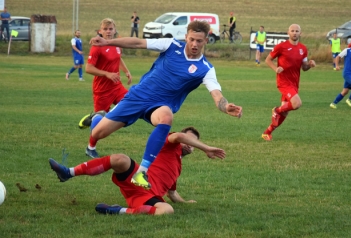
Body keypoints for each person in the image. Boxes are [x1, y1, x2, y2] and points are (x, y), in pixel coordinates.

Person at [82, 20, 242, 189]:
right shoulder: (170, 45)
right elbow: (138, 43)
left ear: (206, 41)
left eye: (199, 41)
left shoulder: (206, 69)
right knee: (98, 133)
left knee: (166, 117)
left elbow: (216, 94)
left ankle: (141, 172)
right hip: (137, 97)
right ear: (186, 36)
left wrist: (225, 106)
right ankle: (97, 118)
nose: (195, 44)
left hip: (159, 106)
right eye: (192, 39)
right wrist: (108, 41)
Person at [49, 126, 225, 215]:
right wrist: (206, 148)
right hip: (138, 177)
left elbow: (172, 194)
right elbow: (178, 136)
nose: (188, 144)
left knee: (167, 210)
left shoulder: (177, 167)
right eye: (188, 140)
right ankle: (68, 172)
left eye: (192, 143)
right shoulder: (169, 144)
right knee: (120, 158)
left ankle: (117, 211)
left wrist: (186, 202)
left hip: (145, 196)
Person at [261, 24, 316, 141]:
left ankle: (267, 132)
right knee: (297, 104)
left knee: (284, 113)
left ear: (300, 33)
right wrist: (276, 69)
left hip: (295, 83)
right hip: (283, 82)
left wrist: (309, 65)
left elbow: (304, 67)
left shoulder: (303, 49)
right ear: (288, 33)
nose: (294, 33)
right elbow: (268, 59)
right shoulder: (281, 46)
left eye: (297, 31)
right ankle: (276, 110)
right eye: (292, 31)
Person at [78, 18, 132, 128]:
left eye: (110, 29)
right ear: (100, 31)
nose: (108, 31)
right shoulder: (97, 46)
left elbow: (118, 58)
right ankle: (93, 122)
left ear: (115, 30)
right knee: (100, 125)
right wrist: (107, 74)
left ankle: (111, 117)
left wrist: (126, 71)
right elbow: (88, 68)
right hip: (102, 90)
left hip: (117, 87)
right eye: (105, 29)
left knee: (131, 103)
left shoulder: (117, 44)